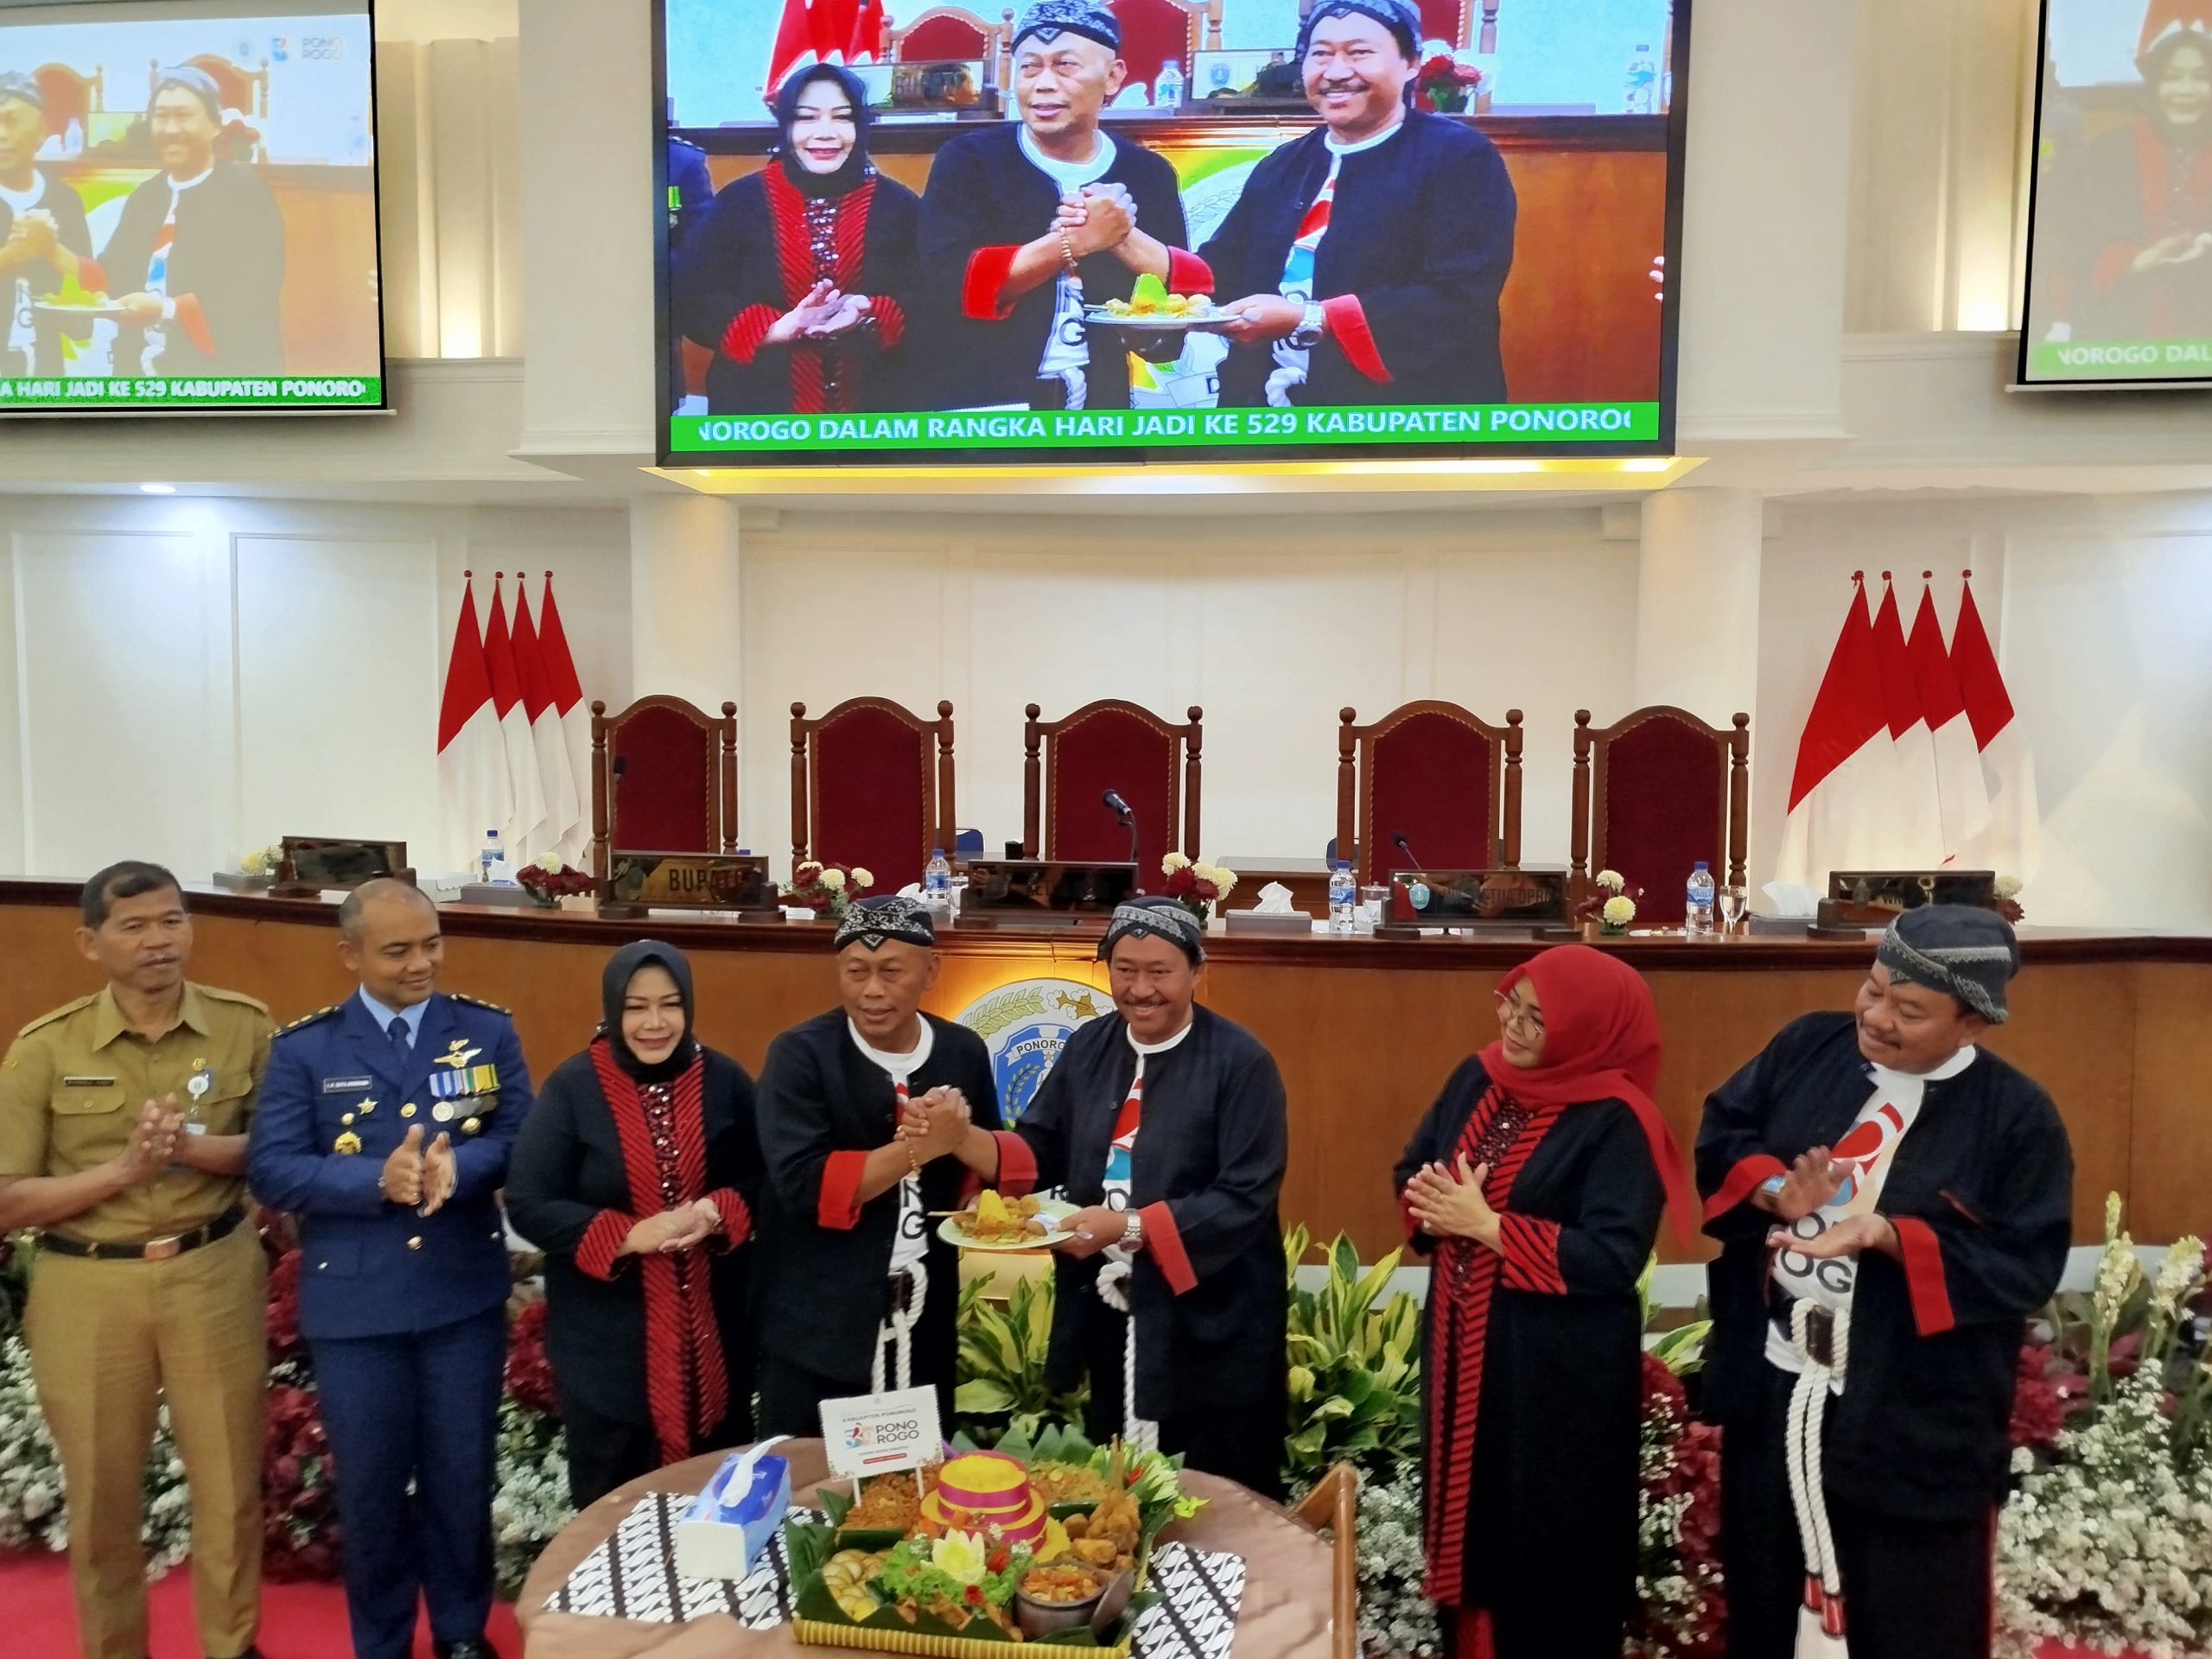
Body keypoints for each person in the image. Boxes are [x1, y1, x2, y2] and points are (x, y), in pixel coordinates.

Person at [1695, 906, 2074, 1659]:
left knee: (1906, 1620)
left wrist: (1889, 1236)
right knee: (1765, 1599)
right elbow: (1722, 1134)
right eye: (1872, 991)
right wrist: (1777, 1192)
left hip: (1911, 1421)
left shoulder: (2018, 1120)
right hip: (1777, 1393)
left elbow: (2023, 1267)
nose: (1876, 1017)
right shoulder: (1808, 1046)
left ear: (1973, 1024)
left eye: (1909, 1010)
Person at [248, 878, 531, 1659]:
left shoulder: (485, 1031)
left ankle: (461, 1632)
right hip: (355, 1306)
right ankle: (379, 1641)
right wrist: (374, 1180)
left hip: (458, 1295)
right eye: (398, 950)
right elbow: (271, 1169)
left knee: (460, 1477)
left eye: (431, 943)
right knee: (370, 1490)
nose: (422, 963)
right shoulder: (306, 1048)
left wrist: (459, 1169)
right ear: (350, 954)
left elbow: (518, 1135)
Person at [0, 862, 271, 1659]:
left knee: (228, 1487)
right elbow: (8, 1199)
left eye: (172, 921)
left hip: (211, 1272)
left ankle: (233, 1644)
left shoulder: (243, 1026)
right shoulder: (45, 1049)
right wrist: (123, 1172)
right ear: (90, 942)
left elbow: (281, 1152)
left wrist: (193, 1151)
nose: (160, 941)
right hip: (89, 1284)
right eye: (135, 926)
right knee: (103, 1495)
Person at [1391, 945, 1693, 1659]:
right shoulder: (1478, 1075)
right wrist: (1432, 1205)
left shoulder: (1620, 1120)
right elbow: (1417, 1163)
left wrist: (1489, 1226)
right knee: (1464, 1531)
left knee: (1545, 1552)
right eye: (1510, 1005)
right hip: (1462, 1358)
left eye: (1537, 1019)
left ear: (1588, 1032)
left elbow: (1613, 1258)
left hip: (1554, 1384)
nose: (1514, 1029)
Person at [992, 896, 1289, 1496]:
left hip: (1209, 1323)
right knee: (1116, 1490)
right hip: (1109, 1308)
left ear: (1198, 973)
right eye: (1124, 970)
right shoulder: (1089, 1045)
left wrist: (1127, 1229)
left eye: (1160, 972)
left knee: (1214, 1495)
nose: (1140, 989)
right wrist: (966, 1145)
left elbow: (1244, 1197)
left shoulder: (1242, 1062)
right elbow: (1039, 1145)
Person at [505, 941, 763, 1508]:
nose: (654, 1023)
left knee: (719, 1508)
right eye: (635, 1007)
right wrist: (626, 1235)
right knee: (614, 1516)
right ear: (612, 1010)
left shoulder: (725, 1081)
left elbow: (764, 1177)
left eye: (669, 1005)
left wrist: (715, 1210)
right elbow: (528, 1200)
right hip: (608, 1357)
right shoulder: (573, 1089)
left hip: (715, 1348)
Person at [752, 895, 1016, 1433]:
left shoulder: (962, 1050)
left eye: (891, 972)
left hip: (924, 1313)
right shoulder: (800, 1056)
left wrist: (976, 1189)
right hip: (819, 1326)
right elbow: (803, 1185)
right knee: (815, 1495)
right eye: (857, 972)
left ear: (930, 970)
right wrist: (921, 1146)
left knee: (917, 1491)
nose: (872, 991)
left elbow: (979, 1168)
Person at [1199, 0, 1516, 408]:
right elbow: (1222, 271)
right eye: (1321, 54)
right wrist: (1128, 244)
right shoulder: (1284, 163)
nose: (1335, 72)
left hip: (1402, 418)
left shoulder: (1459, 157)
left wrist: (1310, 318)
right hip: (1267, 412)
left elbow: (1456, 300)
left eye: (1359, 52)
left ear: (1411, 63)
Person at [914, 0, 1211, 411]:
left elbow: (1180, 306)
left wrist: (1123, 239)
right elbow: (947, 285)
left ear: (1113, 77)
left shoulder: (1147, 173)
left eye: (1065, 66)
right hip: (985, 406)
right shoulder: (968, 161)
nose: (1043, 84)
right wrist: (1073, 243)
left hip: (1101, 405)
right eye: (1029, 67)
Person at [675, 65, 918, 415]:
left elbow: (932, 297)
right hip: (756, 418)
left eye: (842, 117)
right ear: (786, 126)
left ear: (860, 126)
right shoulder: (739, 202)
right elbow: (695, 298)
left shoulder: (899, 205)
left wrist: (866, 312)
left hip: (877, 415)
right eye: (807, 118)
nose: (825, 133)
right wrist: (775, 328)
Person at [99, 66, 285, 378]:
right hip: (138, 381)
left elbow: (252, 292)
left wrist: (165, 309)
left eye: (183, 115)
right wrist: (58, 257)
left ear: (214, 124)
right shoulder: (146, 196)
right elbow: (112, 273)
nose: (171, 128)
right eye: (161, 116)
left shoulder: (246, 192)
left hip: (221, 383)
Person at [2074, 6, 2212, 343]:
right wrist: (2134, 261)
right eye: (2172, 77)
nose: (2186, 90)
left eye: (2201, 77)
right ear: (2153, 83)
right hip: (2122, 340)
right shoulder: (2109, 152)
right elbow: (2074, 242)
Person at [0, 71, 100, 375]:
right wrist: (13, 256)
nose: (1, 133)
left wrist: (51, 250)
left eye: (11, 121)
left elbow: (87, 307)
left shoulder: (64, 201)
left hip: (46, 382)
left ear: (42, 129)